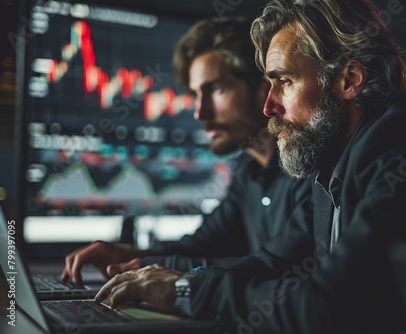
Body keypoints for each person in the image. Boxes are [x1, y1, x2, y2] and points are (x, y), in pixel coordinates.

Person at [95, 0, 406, 333]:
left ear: (348, 81)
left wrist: (186, 292)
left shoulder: (400, 153)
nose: (269, 105)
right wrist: (162, 278)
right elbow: (271, 262)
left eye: (284, 81)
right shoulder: (334, 162)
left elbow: (327, 307)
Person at [61, 18, 312, 286]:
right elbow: (199, 248)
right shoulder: (249, 172)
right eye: (196, 94)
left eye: (215, 89)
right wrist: (130, 254)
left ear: (264, 89)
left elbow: (272, 267)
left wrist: (149, 266)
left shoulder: (307, 169)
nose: (200, 113)